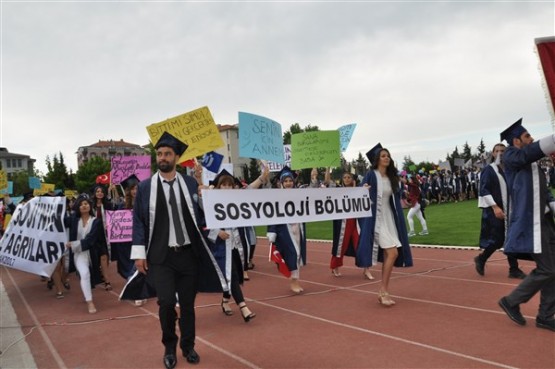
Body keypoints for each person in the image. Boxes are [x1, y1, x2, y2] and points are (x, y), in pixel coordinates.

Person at [131, 132, 227, 368]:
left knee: (187, 305)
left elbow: (201, 217)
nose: (162, 157)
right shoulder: (146, 187)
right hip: (161, 257)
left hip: (187, 255)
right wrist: (139, 254)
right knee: (165, 304)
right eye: (159, 154)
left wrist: (215, 228)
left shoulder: (190, 184)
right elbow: (139, 221)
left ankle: (188, 346)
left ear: (175, 157)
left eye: (167, 154)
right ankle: (169, 347)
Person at [497, 119, 555, 332]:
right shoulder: (511, 156)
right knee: (548, 269)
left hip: (545, 221)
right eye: (527, 136)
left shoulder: (532, 163)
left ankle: (546, 315)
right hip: (531, 223)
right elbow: (526, 153)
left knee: (553, 270)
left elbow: (543, 190)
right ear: (516, 140)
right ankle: (512, 301)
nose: (531, 140)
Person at [356, 143, 413, 307]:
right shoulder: (371, 175)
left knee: (391, 254)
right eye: (383, 156)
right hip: (376, 220)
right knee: (393, 253)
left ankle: (383, 290)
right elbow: (359, 193)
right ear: (377, 160)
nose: (386, 158)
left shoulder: (391, 177)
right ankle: (383, 290)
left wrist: (404, 194)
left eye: (388, 155)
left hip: (390, 219)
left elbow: (393, 195)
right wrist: (363, 190)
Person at [204, 170, 256, 322]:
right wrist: (217, 232)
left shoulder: (237, 201)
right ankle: (243, 307)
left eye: (229, 185)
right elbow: (202, 223)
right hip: (220, 247)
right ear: (218, 187)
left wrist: (261, 177)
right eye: (223, 185)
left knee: (234, 275)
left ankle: (225, 301)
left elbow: (251, 191)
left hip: (236, 244)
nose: (227, 188)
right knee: (231, 275)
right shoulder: (210, 203)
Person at [474, 143, 526, 279]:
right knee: (498, 239)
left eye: (502, 151)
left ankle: (513, 269)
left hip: (510, 208)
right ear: (492, 153)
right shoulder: (489, 170)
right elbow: (484, 190)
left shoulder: (510, 169)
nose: (500, 153)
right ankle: (482, 258)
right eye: (497, 151)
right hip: (494, 209)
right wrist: (495, 207)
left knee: (510, 237)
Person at [267, 166, 307, 294]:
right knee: (293, 254)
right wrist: (272, 231)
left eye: (290, 181)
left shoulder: (299, 194)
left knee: (298, 253)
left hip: (298, 227)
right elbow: (272, 214)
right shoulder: (276, 196)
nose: (288, 183)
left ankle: (295, 281)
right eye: (286, 181)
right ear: (281, 183)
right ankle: (293, 282)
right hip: (284, 230)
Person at [329, 171, 372, 279]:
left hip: (356, 222)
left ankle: (366, 269)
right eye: (345, 177)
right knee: (340, 246)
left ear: (353, 179)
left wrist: (366, 190)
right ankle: (335, 267)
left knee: (361, 244)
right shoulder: (338, 190)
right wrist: (327, 169)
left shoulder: (359, 189)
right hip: (343, 223)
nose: (347, 179)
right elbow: (327, 182)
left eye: (349, 177)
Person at [65, 195, 103, 313]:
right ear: (78, 207)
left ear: (90, 206)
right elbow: (57, 220)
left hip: (91, 254)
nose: (84, 206)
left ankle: (87, 293)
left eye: (86, 203)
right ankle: (89, 302)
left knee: (89, 275)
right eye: (81, 204)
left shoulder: (96, 221)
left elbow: (91, 240)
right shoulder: (73, 220)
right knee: (85, 273)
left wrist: (73, 244)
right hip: (79, 254)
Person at [91, 184, 114, 291]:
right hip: (92, 235)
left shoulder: (108, 205)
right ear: (95, 193)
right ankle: (95, 275)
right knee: (93, 258)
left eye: (101, 191)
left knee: (104, 257)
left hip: (104, 235)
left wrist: (114, 191)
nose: (99, 193)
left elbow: (114, 216)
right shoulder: (90, 206)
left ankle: (107, 280)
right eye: (97, 191)